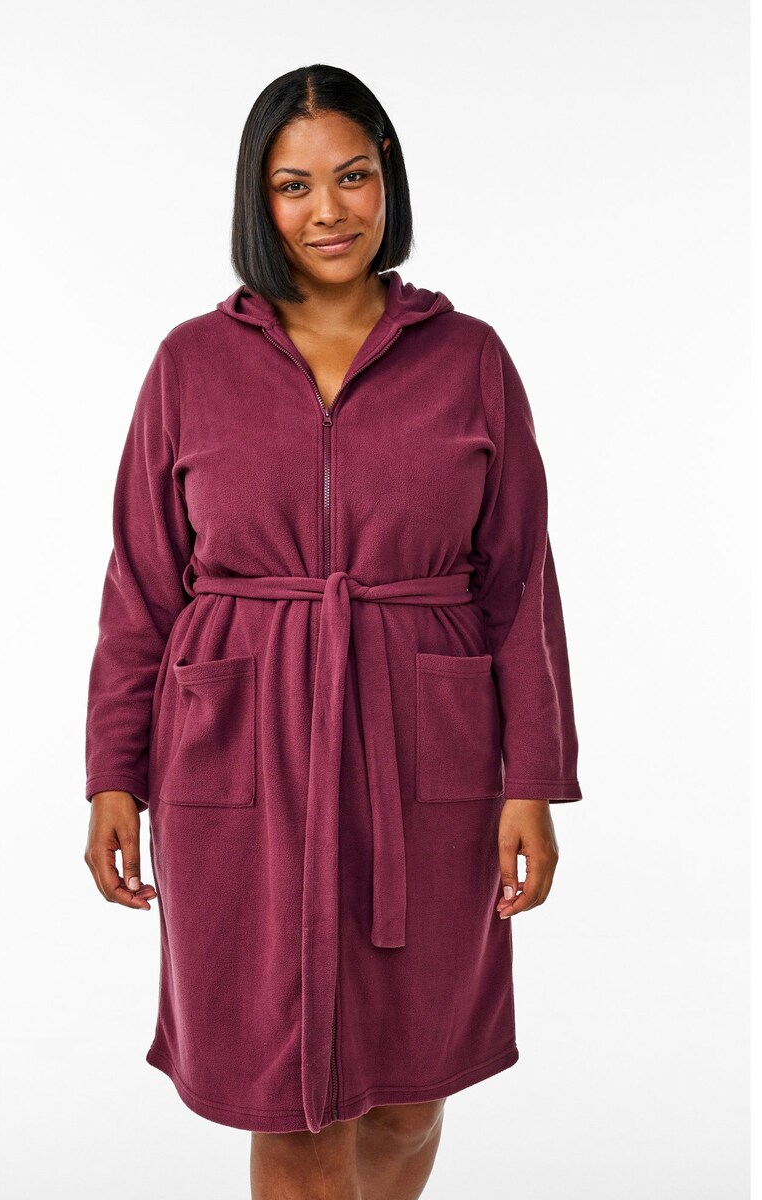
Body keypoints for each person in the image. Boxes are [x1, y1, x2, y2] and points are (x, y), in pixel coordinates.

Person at [83, 63, 583, 1200]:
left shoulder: (470, 360)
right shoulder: (189, 364)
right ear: (257, 200)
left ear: (387, 178)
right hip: (240, 759)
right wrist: (113, 772)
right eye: (293, 185)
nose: (328, 212)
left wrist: (534, 781)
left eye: (352, 177)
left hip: (426, 761)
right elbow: (141, 586)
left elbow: (519, 585)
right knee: (293, 1102)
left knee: (408, 1096)